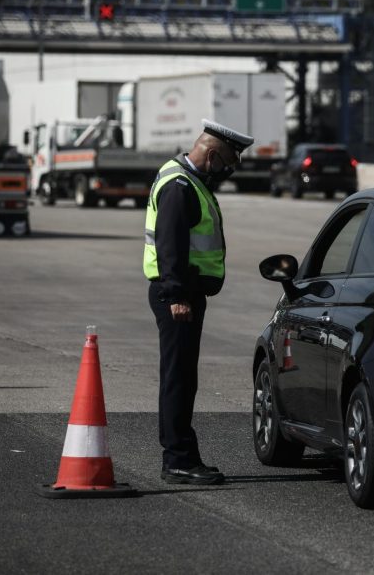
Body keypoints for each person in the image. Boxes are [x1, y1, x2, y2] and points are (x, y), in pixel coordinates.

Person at [143, 119, 253, 485]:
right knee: (178, 379)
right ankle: (177, 459)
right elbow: (169, 245)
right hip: (177, 296)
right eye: (226, 162)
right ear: (209, 153)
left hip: (186, 293)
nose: (227, 170)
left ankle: (183, 455)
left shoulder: (187, 180)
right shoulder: (179, 187)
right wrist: (176, 296)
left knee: (183, 378)